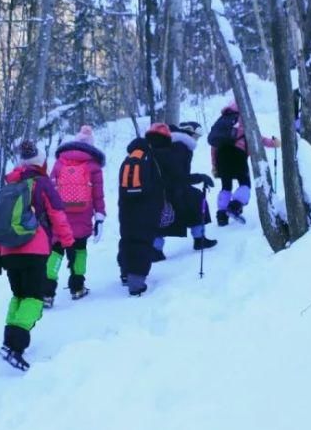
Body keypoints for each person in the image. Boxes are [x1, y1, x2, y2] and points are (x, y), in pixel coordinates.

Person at [0, 141, 75, 370]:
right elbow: (58, 215)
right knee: (34, 298)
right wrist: (69, 243)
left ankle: (9, 342)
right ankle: (15, 346)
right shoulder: (43, 184)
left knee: (19, 295)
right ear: (41, 161)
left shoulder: (10, 184)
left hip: (9, 252)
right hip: (34, 250)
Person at [47, 125, 106, 303]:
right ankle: (77, 287)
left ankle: (46, 292)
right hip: (83, 215)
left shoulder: (59, 163)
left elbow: (50, 191)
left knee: (56, 250)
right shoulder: (93, 165)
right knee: (80, 250)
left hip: (60, 216)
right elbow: (98, 195)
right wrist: (100, 217)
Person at [152, 121, 216, 259]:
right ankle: (199, 239)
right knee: (197, 200)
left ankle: (155, 249)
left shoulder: (170, 143)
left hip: (161, 188)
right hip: (172, 188)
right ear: (189, 133)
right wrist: (201, 177)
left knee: (163, 216)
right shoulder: (180, 146)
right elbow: (178, 175)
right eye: (196, 136)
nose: (197, 139)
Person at [117, 124, 169, 297]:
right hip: (146, 210)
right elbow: (157, 185)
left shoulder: (128, 160)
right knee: (143, 243)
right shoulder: (149, 159)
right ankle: (136, 283)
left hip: (126, 210)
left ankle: (125, 273)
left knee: (127, 240)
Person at [210, 101, 280, 225]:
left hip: (221, 156)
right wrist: (274, 143)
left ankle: (221, 215)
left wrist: (214, 165)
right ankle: (234, 206)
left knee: (226, 186)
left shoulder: (222, 121)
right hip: (237, 155)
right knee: (245, 183)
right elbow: (258, 138)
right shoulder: (243, 119)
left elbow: (213, 146)